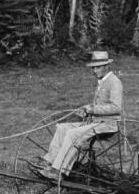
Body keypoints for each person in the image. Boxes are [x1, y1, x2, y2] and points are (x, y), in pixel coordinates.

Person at [39, 50, 123, 179]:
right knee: (62, 128)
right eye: (93, 68)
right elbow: (99, 105)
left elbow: (116, 108)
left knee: (73, 134)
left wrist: (92, 109)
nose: (95, 71)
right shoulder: (102, 81)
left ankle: (59, 171)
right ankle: (50, 162)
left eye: (98, 67)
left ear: (107, 66)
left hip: (107, 125)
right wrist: (86, 110)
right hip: (95, 122)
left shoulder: (114, 82)